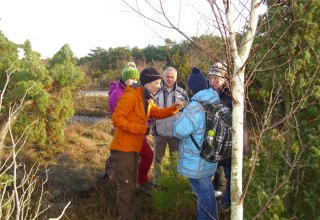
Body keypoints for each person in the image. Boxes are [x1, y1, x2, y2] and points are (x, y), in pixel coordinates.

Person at [110, 66, 182, 220]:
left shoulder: (146, 97)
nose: (159, 86)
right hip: (123, 149)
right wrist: (140, 129)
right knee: (126, 186)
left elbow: (156, 112)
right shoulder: (131, 96)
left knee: (130, 184)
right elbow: (117, 119)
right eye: (156, 82)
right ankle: (126, 216)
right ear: (148, 82)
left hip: (133, 148)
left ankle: (131, 213)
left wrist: (173, 109)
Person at [173, 67, 220, 220]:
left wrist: (179, 118)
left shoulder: (195, 107)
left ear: (192, 89)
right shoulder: (215, 101)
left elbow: (179, 131)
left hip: (196, 160)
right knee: (208, 191)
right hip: (210, 157)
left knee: (203, 195)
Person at [208, 61, 251, 215]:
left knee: (231, 173)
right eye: (211, 77)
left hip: (233, 141)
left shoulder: (231, 94)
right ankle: (222, 198)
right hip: (222, 141)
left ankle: (226, 203)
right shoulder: (215, 93)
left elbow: (230, 119)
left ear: (225, 78)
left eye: (217, 78)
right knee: (223, 170)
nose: (213, 81)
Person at [107, 62, 154, 195]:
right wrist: (141, 126)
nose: (133, 81)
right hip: (126, 135)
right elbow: (121, 119)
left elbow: (140, 112)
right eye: (130, 78)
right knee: (138, 159)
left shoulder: (135, 91)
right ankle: (134, 183)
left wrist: (148, 116)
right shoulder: (117, 94)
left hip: (137, 133)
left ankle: (139, 180)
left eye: (135, 79)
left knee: (144, 157)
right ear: (124, 77)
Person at [152, 67, 189, 184]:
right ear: (163, 77)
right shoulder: (156, 92)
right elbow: (150, 112)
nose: (169, 79)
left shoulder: (182, 93)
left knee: (176, 159)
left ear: (176, 78)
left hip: (176, 134)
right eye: (167, 76)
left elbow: (188, 111)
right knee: (158, 159)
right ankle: (157, 181)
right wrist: (153, 128)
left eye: (172, 77)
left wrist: (181, 108)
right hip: (160, 133)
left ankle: (175, 182)